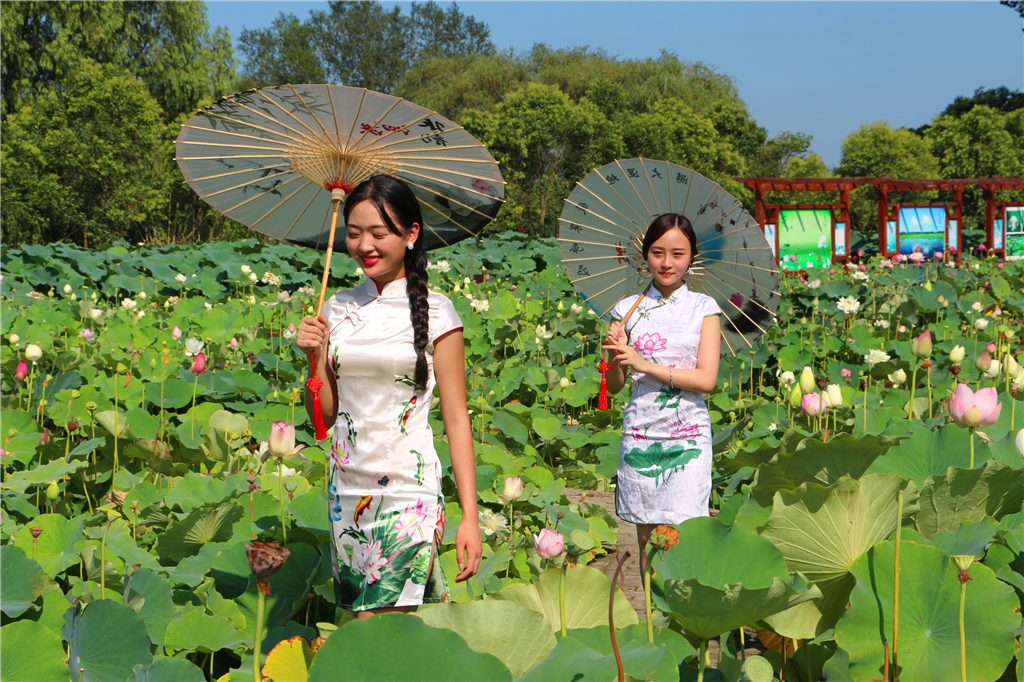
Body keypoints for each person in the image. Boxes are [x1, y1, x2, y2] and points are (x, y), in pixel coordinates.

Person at [296, 174, 481, 618]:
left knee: (382, 626)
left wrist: (470, 516)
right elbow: (322, 420)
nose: (364, 246)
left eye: (378, 233)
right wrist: (312, 360)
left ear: (411, 234)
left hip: (408, 489)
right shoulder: (336, 308)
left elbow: (456, 419)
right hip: (347, 487)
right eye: (354, 234)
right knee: (367, 631)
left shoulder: (439, 312)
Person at [601, 213, 721, 580]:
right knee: (647, 538)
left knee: (685, 535)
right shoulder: (626, 310)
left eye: (677, 254)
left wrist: (645, 363)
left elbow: (706, 379)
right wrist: (617, 354)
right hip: (642, 431)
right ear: (645, 254)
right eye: (657, 252)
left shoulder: (705, 309)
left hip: (687, 434)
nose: (667, 263)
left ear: (691, 257)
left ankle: (684, 620)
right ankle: (654, 618)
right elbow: (617, 385)